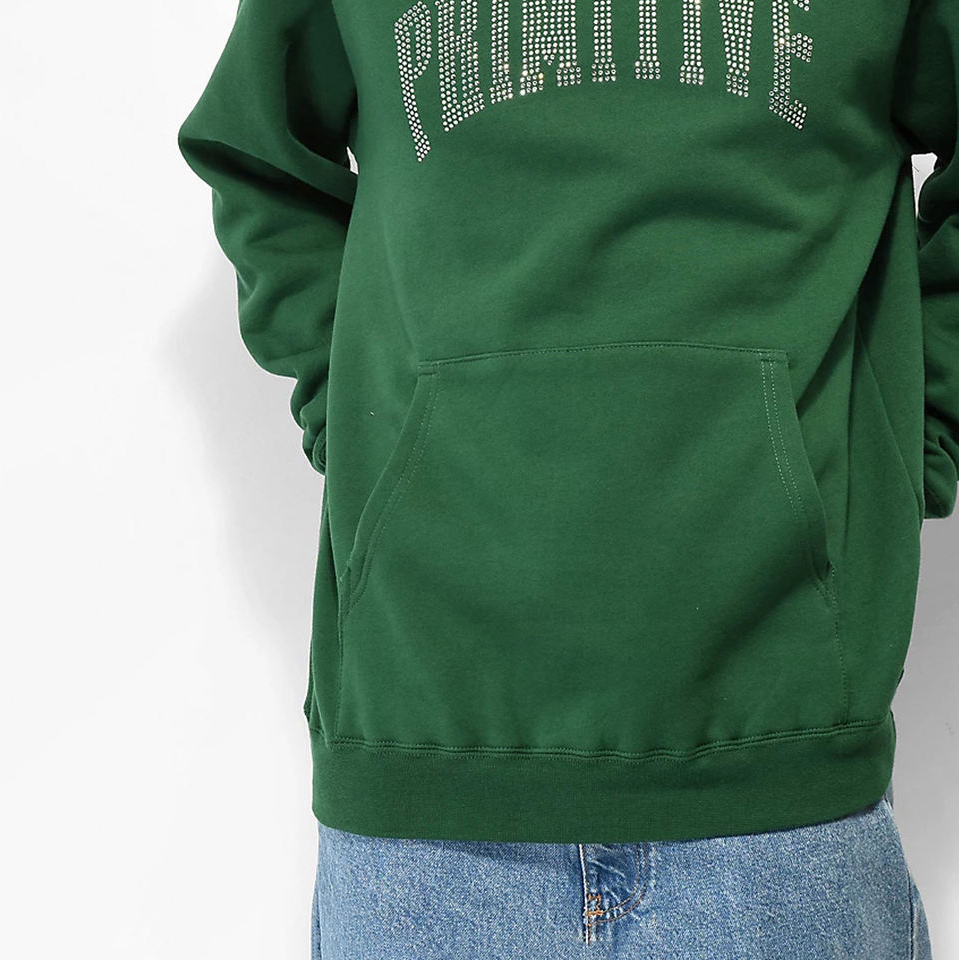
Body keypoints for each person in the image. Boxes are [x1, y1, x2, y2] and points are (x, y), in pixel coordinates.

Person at [177, 0, 955, 956]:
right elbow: (256, 150)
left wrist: (916, 438)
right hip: (424, 798)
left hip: (783, 791)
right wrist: (365, 424)